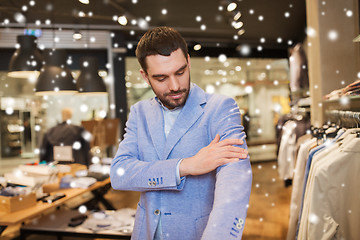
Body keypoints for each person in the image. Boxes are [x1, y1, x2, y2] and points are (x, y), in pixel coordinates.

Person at [110, 26, 252, 240]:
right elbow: (119, 174)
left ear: (188, 61)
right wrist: (185, 166)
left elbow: (235, 181)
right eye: (161, 78)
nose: (175, 86)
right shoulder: (139, 113)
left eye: (180, 72)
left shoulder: (220, 108)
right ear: (145, 76)